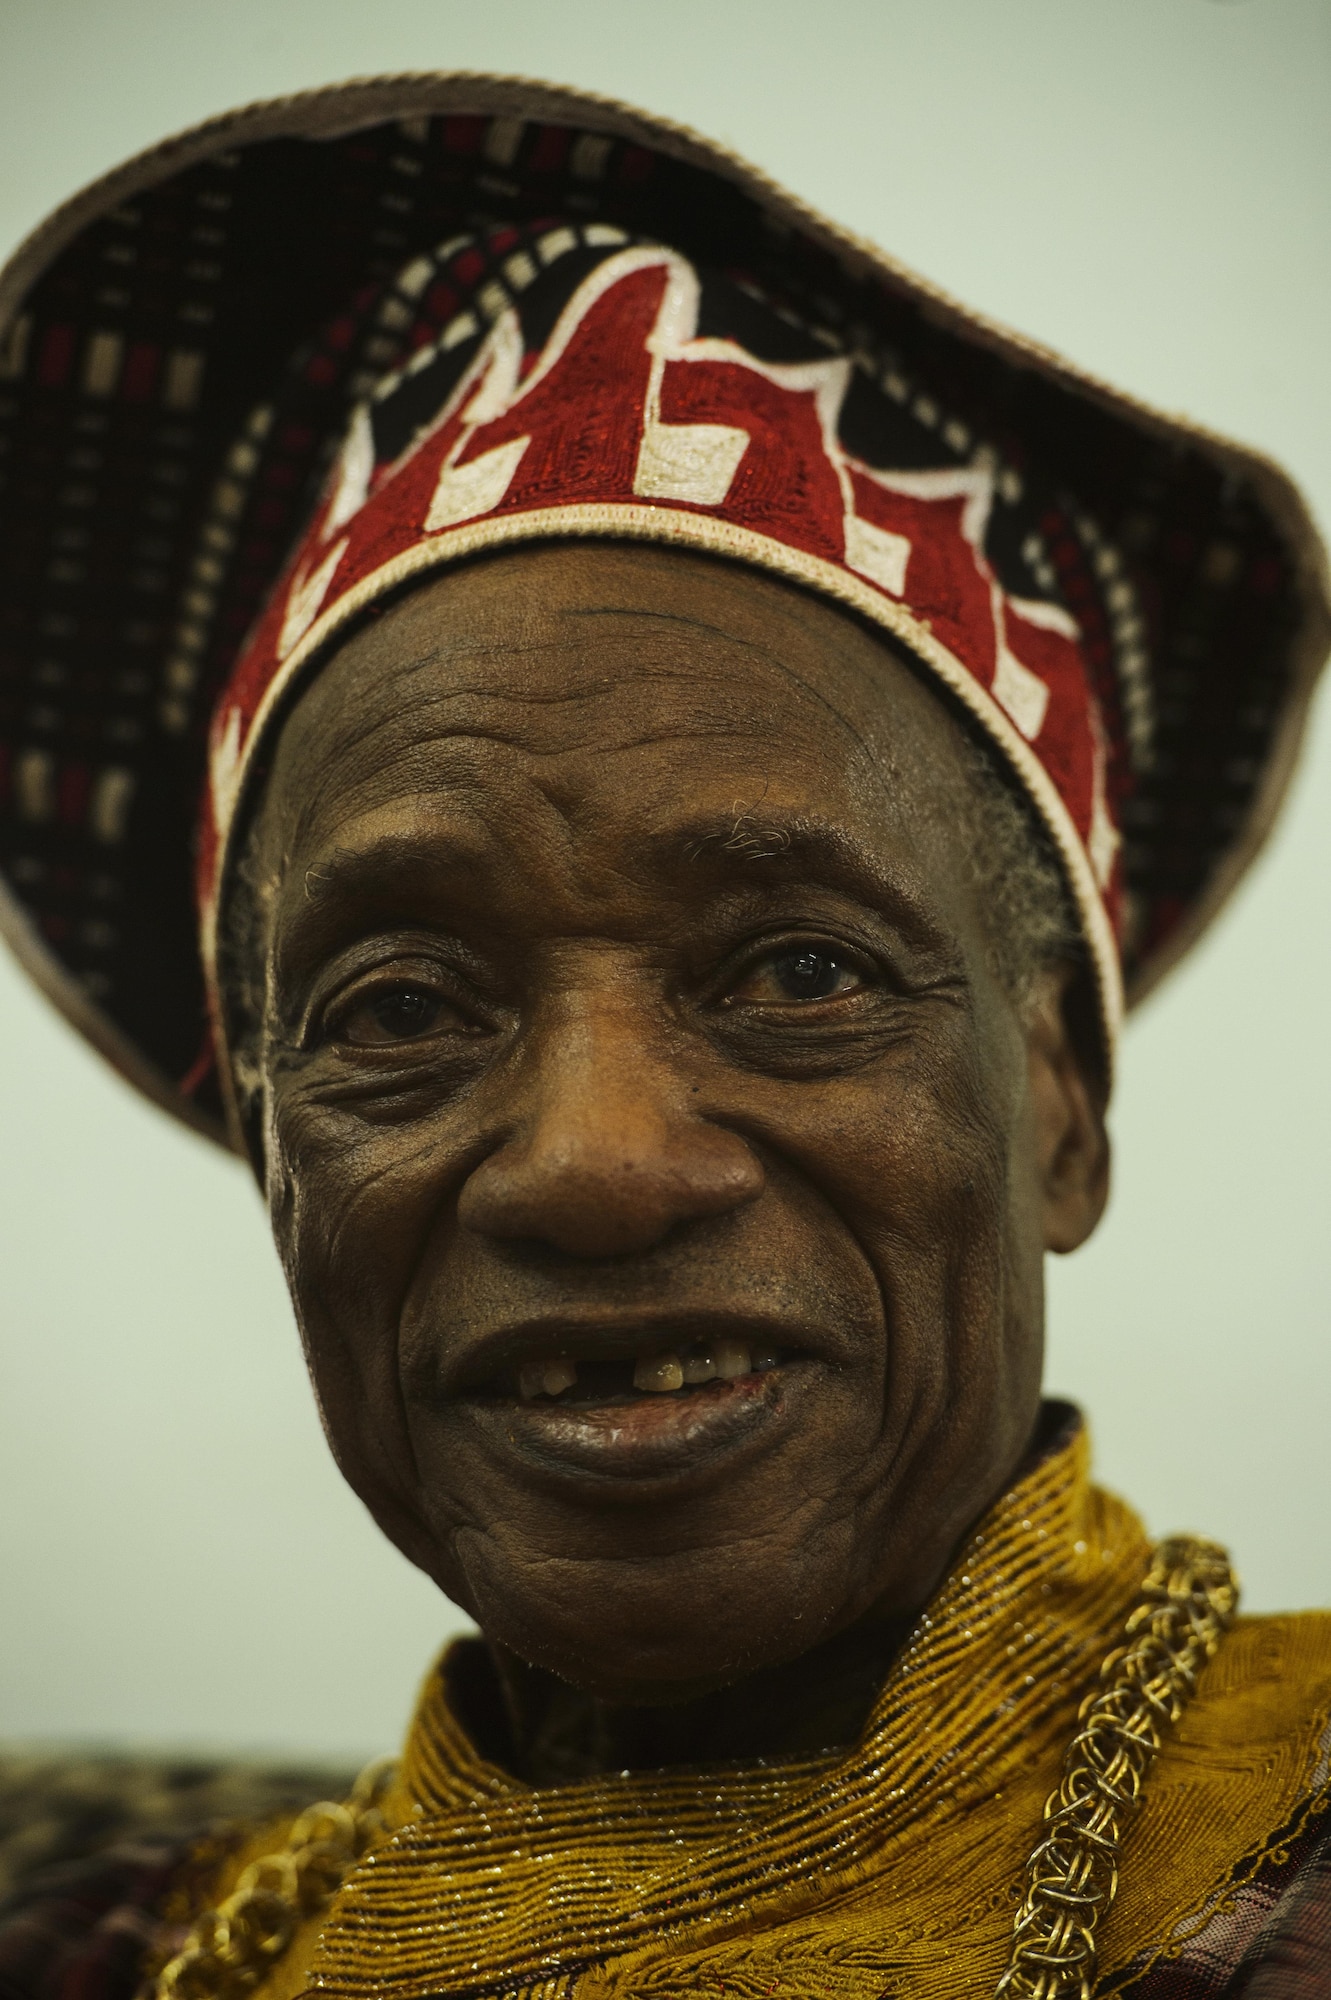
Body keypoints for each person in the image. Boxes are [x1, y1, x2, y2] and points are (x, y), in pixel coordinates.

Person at [0, 74, 1328, 2000]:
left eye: (799, 973)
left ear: (1059, 1104)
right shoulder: (120, 1954)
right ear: (278, 1149)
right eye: (398, 1009)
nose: (597, 1162)